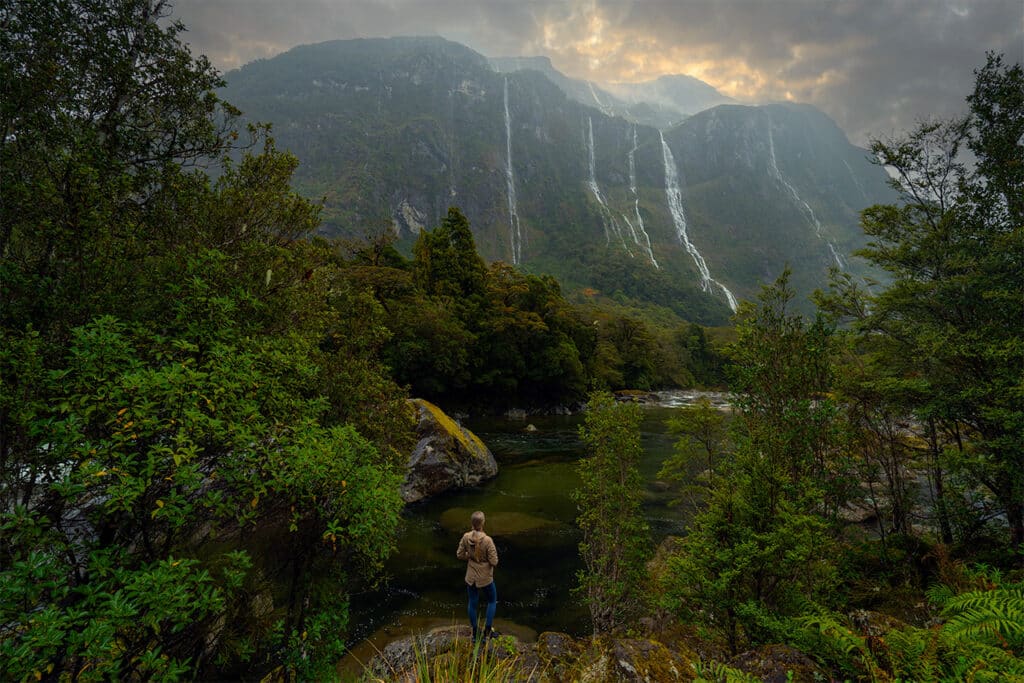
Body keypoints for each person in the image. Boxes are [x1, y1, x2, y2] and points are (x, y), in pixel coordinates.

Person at [456, 510, 499, 641]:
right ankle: (487, 632)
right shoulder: (488, 540)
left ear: (472, 523)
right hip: (485, 578)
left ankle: (475, 634)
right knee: (492, 601)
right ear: (483, 523)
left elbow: (459, 554)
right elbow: (494, 561)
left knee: (472, 603)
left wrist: (470, 556)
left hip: (471, 577)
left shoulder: (466, 537)